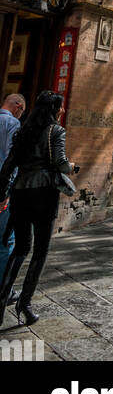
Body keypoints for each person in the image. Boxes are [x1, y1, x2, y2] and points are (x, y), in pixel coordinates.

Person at [0, 91, 76, 327]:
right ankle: (25, 303)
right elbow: (61, 164)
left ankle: (1, 299)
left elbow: (9, 164)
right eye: (60, 107)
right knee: (40, 251)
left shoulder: (24, 131)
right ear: (54, 109)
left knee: (20, 248)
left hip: (21, 193)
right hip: (44, 194)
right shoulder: (56, 131)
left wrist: (2, 194)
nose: (62, 111)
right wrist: (72, 167)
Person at [0, 94, 25, 289]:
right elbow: (12, 161)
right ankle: (2, 287)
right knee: (5, 241)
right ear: (19, 106)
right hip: (2, 190)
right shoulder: (13, 124)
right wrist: (7, 192)